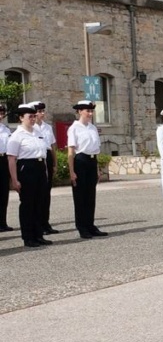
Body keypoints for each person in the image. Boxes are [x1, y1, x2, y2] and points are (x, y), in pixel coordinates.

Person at [7, 103, 50, 247]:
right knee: (28, 204)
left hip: (39, 167)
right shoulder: (16, 136)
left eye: (33, 116)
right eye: (29, 116)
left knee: (39, 203)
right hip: (26, 168)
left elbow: (43, 154)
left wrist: (45, 172)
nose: (32, 119)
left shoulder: (37, 132)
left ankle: (38, 234)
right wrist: (14, 180)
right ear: (21, 118)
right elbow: (12, 159)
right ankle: (28, 237)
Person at [67, 100, 107, 238]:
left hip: (91, 161)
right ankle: (82, 226)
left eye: (91, 111)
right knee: (80, 196)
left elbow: (95, 150)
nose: (90, 113)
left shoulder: (92, 128)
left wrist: (96, 169)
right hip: (80, 161)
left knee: (90, 196)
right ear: (79, 112)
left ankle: (90, 225)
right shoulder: (74, 128)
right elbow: (71, 151)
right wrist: (72, 171)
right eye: (87, 111)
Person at [30, 102, 59, 234]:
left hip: (47, 156)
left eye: (43, 111)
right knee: (38, 193)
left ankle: (45, 223)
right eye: (39, 111)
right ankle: (38, 224)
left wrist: (55, 163)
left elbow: (53, 146)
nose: (42, 113)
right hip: (37, 158)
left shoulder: (47, 127)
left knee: (46, 193)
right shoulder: (31, 128)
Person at [0, 103, 13, 232]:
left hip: (4, 160)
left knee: (4, 193)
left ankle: (2, 222)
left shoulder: (6, 129)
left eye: (2, 113)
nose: (1, 115)